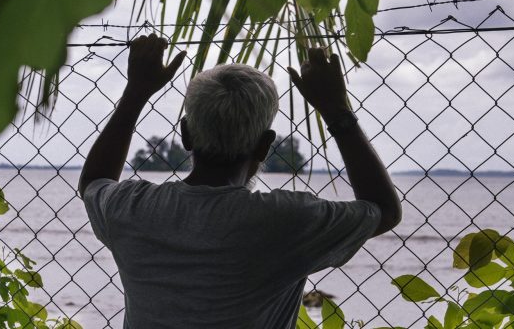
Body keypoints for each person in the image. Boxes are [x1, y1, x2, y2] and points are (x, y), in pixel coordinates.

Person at [78, 35, 402, 328]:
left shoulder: (133, 208)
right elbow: (384, 209)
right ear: (265, 145)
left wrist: (135, 93)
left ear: (186, 135)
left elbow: (94, 181)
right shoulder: (286, 221)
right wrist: (336, 110)